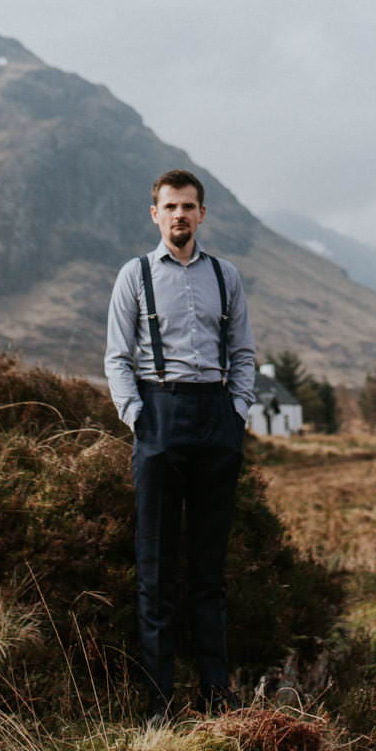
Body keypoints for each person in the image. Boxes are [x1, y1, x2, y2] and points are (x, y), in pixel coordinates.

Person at [105, 169, 256, 719]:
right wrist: (137, 416)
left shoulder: (225, 276)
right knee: (156, 571)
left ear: (202, 214)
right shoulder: (135, 275)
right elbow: (117, 358)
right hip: (159, 420)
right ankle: (158, 706)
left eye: (189, 206)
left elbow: (243, 352)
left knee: (209, 572)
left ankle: (218, 700)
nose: (180, 216)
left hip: (216, 420)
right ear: (155, 214)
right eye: (170, 207)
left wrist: (236, 412)